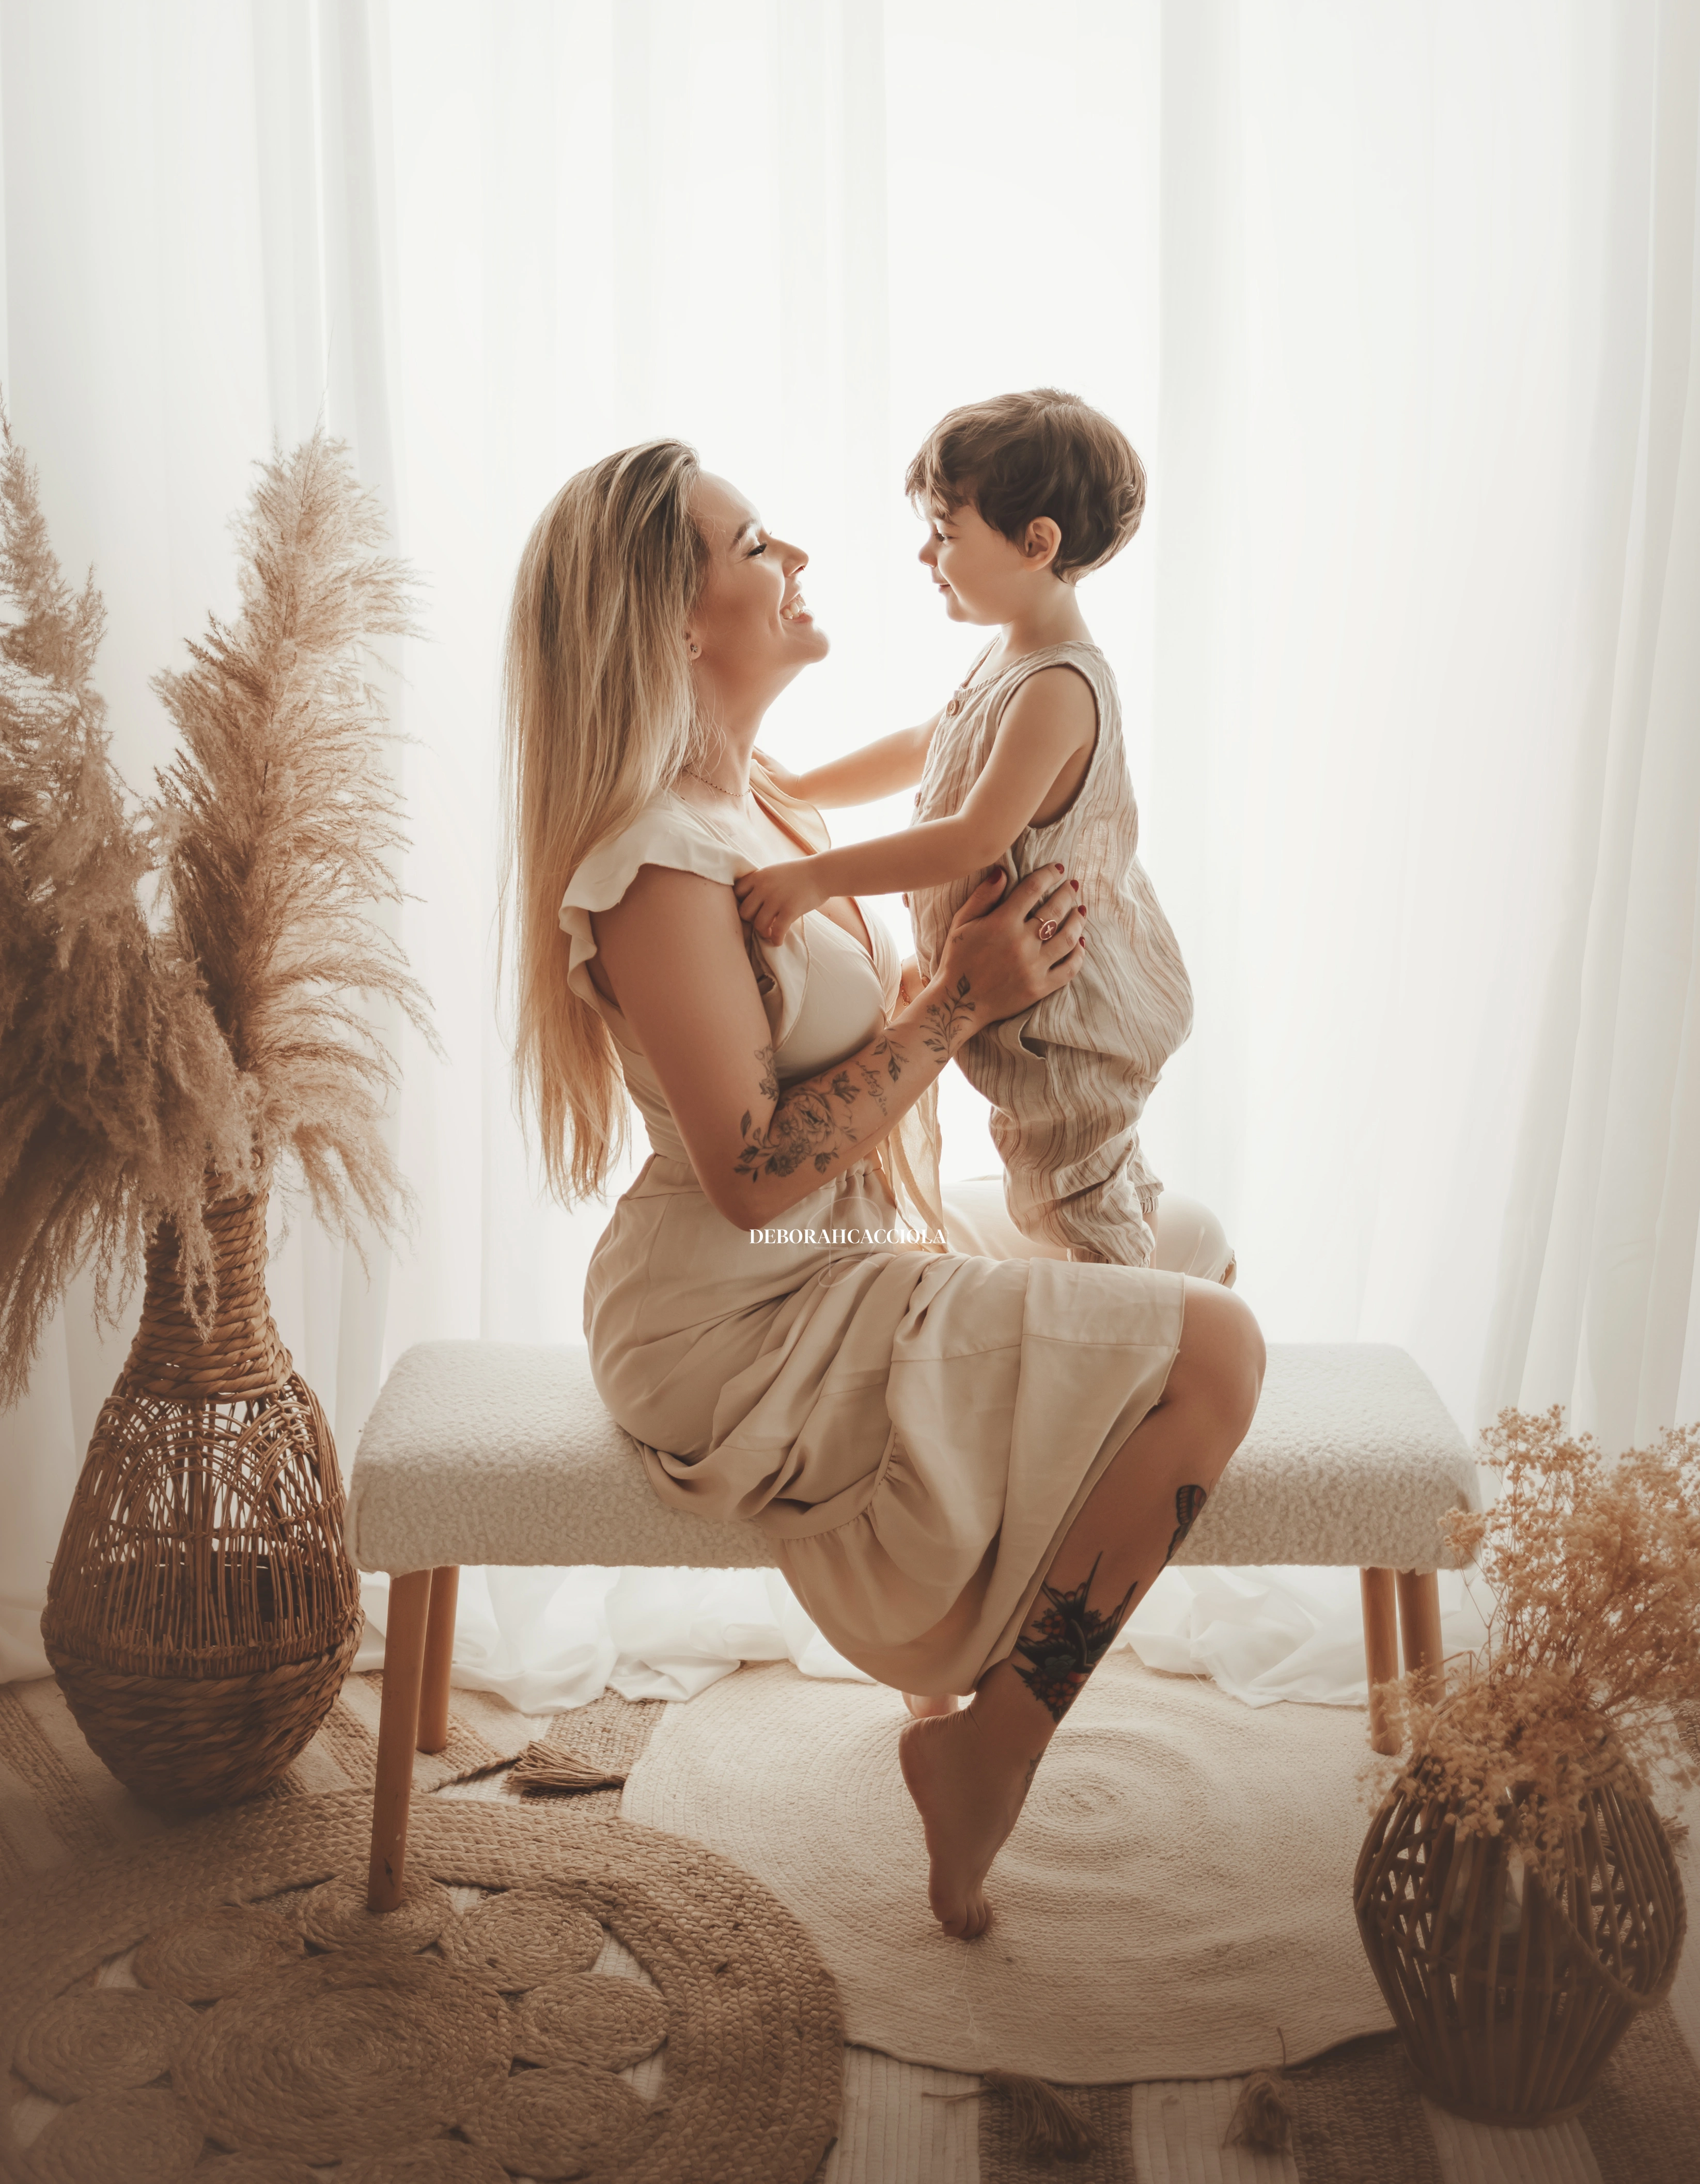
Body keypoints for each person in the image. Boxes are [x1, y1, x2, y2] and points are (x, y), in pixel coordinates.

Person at [503, 437, 1264, 1940]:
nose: (798, 564)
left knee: (1190, 1245)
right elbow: (752, 1175)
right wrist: (951, 1006)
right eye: (756, 546)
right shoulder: (657, 867)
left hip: (828, 1257)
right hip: (738, 1315)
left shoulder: (758, 819)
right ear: (671, 620)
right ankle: (990, 1745)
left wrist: (965, 980)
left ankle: (955, 1650)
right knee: (1217, 1352)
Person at [735, 388, 1193, 1270]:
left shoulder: (1059, 684)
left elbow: (975, 838)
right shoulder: (1008, 656)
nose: (925, 553)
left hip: (1068, 1013)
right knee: (1058, 1164)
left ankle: (1126, 1319)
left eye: (945, 533)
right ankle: (1129, 1281)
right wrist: (801, 783)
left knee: (1069, 1183)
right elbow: (930, 743)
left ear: (1037, 544)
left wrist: (818, 875)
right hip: (1023, 1004)